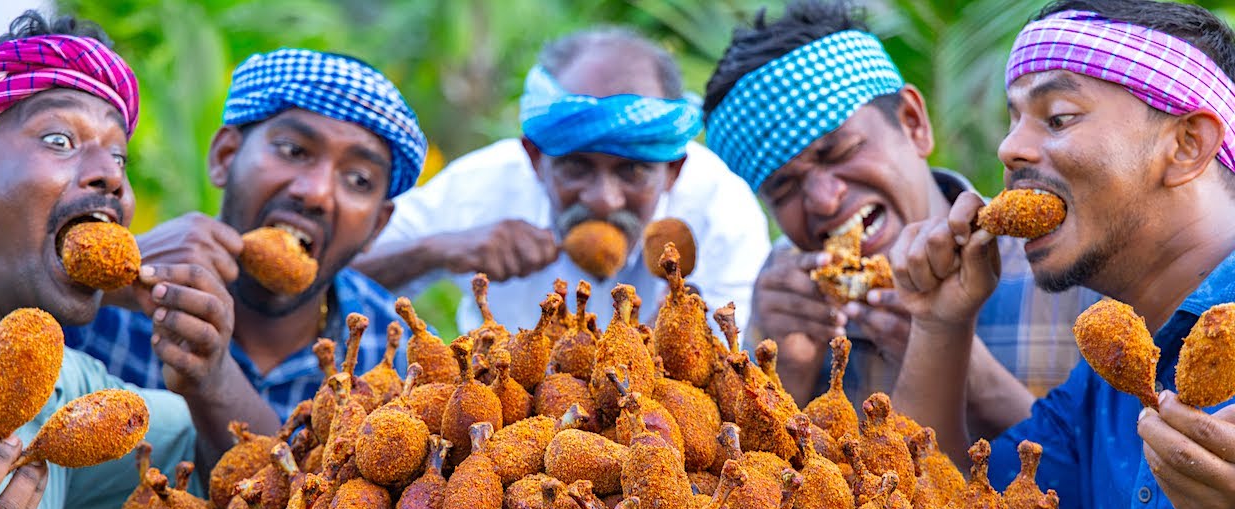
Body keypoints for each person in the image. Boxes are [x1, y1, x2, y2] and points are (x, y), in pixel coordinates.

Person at [889, 2, 1235, 509]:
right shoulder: (1101, 390)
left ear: (1188, 145)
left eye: (1058, 117)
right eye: (1014, 120)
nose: (1011, 149)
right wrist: (941, 323)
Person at [0, 13, 277, 509]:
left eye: (120, 159)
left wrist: (208, 371)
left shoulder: (70, 391)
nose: (109, 176)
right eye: (60, 139)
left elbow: (265, 478)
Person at [702, 0, 1097, 437]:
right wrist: (784, 371)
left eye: (840, 152)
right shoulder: (784, 301)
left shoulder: (1060, 262)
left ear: (913, 123)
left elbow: (1122, 486)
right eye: (784, 188)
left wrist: (951, 357)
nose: (825, 200)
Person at [66, 47, 424, 421]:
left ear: (377, 226)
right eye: (294, 150)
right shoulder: (101, 303)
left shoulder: (404, 361)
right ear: (225, 156)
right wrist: (100, 285)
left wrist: (216, 381)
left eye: (358, 179)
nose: (316, 193)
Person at [353, 27, 770, 334]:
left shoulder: (720, 212)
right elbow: (331, 276)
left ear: (673, 172)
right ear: (536, 159)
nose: (604, 200)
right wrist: (440, 249)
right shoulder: (482, 188)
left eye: (633, 170)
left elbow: (728, 362)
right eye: (576, 167)